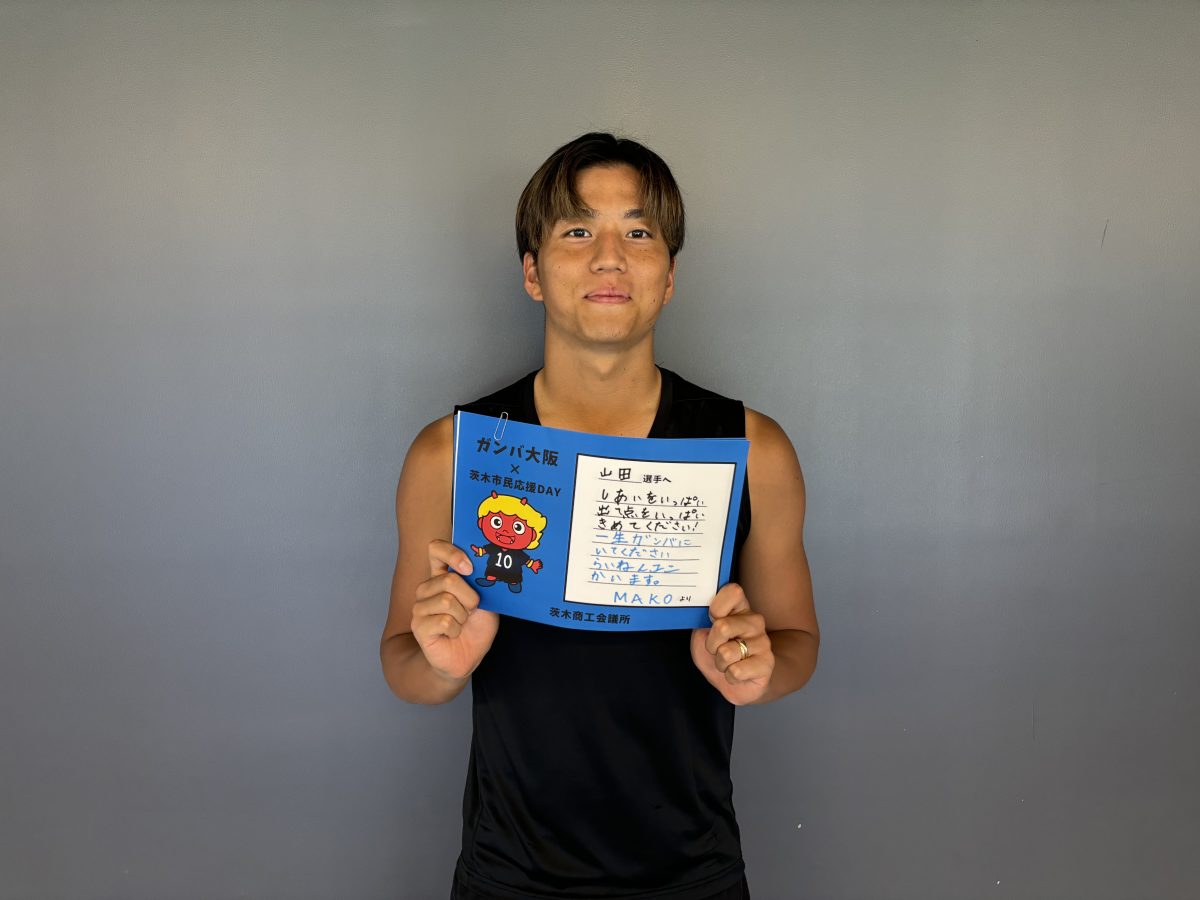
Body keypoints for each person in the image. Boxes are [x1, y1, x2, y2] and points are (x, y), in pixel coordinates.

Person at [381, 133, 819, 900]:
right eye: (578, 230)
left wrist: (759, 671)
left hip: (694, 875)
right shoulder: (451, 455)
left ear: (670, 276)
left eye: (639, 232)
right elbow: (403, 663)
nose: (610, 257)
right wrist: (443, 666)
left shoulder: (752, 450)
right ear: (532, 272)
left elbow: (797, 643)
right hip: (508, 878)